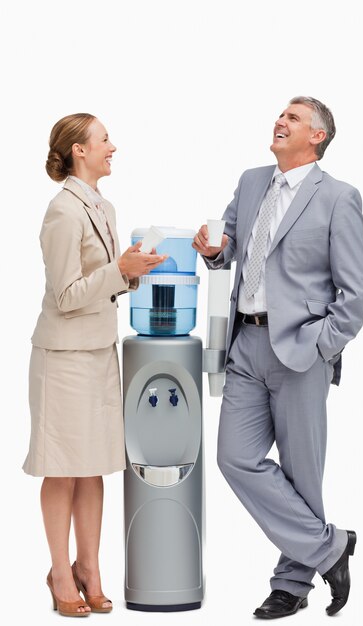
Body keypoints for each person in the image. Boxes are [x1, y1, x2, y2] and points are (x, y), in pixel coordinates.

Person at [193, 96, 363, 619]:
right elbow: (230, 249)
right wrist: (212, 250)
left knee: (301, 472)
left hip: (300, 350)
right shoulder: (252, 182)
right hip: (245, 345)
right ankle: (329, 548)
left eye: (293, 118)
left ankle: (291, 584)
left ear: (317, 136)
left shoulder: (338, 197)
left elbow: (356, 293)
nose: (280, 121)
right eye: (281, 115)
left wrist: (321, 345)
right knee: (234, 457)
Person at [22, 113, 167, 617]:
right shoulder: (63, 211)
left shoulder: (102, 206)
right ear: (79, 150)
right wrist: (117, 270)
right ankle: (61, 573)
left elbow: (102, 285)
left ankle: (91, 569)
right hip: (63, 359)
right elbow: (65, 296)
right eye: (104, 139)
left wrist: (131, 272)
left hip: (99, 352)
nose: (113, 147)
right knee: (63, 470)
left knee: (94, 470)